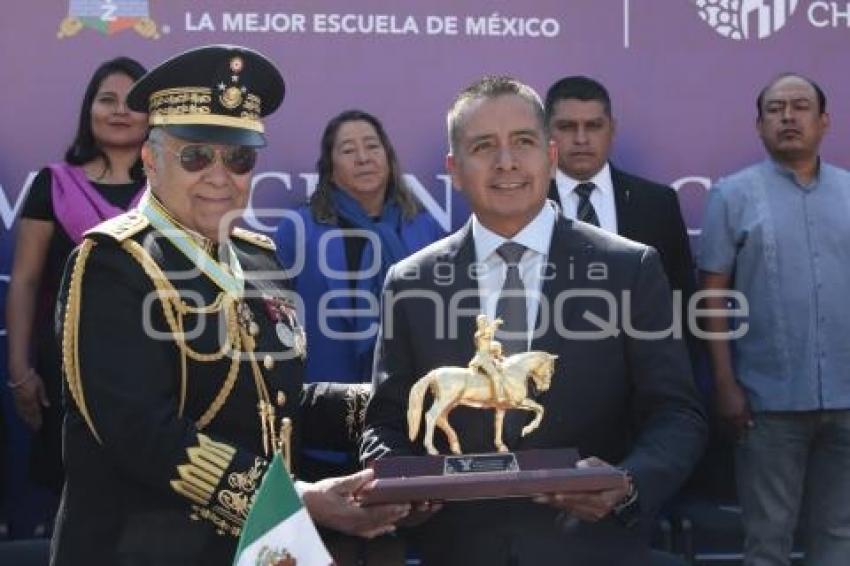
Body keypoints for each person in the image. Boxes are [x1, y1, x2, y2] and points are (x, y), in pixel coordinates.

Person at [51, 45, 408, 566]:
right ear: (151, 160)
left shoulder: (259, 259)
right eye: (196, 156)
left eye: (239, 158)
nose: (220, 175)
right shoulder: (112, 263)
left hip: (261, 547)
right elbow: (140, 431)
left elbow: (271, 399)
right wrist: (298, 501)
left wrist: (402, 400)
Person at [361, 76, 707, 565]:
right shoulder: (410, 281)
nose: (506, 162)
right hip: (459, 551)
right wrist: (401, 491)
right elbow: (387, 421)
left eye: (523, 142)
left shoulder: (629, 268)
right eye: (484, 146)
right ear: (455, 170)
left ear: (550, 154)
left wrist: (626, 485)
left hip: (593, 550)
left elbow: (678, 414)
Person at [699, 73, 850, 565]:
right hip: (766, 404)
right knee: (767, 542)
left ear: (823, 121)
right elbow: (713, 296)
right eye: (775, 109)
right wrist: (724, 383)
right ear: (759, 126)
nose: (788, 117)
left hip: (848, 400)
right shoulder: (732, 195)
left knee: (839, 537)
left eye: (800, 107)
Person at [6, 56, 148, 494]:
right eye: (108, 100)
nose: (120, 110)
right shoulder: (54, 185)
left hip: (156, 365)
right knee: (74, 495)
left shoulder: (170, 190)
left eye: (133, 102)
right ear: (89, 111)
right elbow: (26, 282)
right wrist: (19, 371)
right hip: (66, 369)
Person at [274, 109, 443, 388]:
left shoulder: (426, 228)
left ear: (388, 158)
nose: (363, 158)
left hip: (411, 392)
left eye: (373, 146)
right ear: (330, 169)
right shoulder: (299, 230)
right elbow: (277, 318)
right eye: (348, 150)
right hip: (324, 394)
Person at [543, 76, 697, 359]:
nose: (581, 139)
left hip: (641, 374)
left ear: (612, 129)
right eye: (567, 127)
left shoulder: (657, 203)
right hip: (551, 375)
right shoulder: (527, 204)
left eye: (593, 126)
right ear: (546, 133)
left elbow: (682, 300)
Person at [468, 314, 505, 403]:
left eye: (485, 321)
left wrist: (495, 324)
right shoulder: (479, 333)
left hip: (486, 357)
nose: (484, 323)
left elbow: (490, 331)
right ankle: (498, 397)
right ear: (478, 323)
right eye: (482, 322)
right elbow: (487, 331)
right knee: (496, 376)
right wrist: (495, 323)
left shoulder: (486, 331)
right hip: (483, 359)